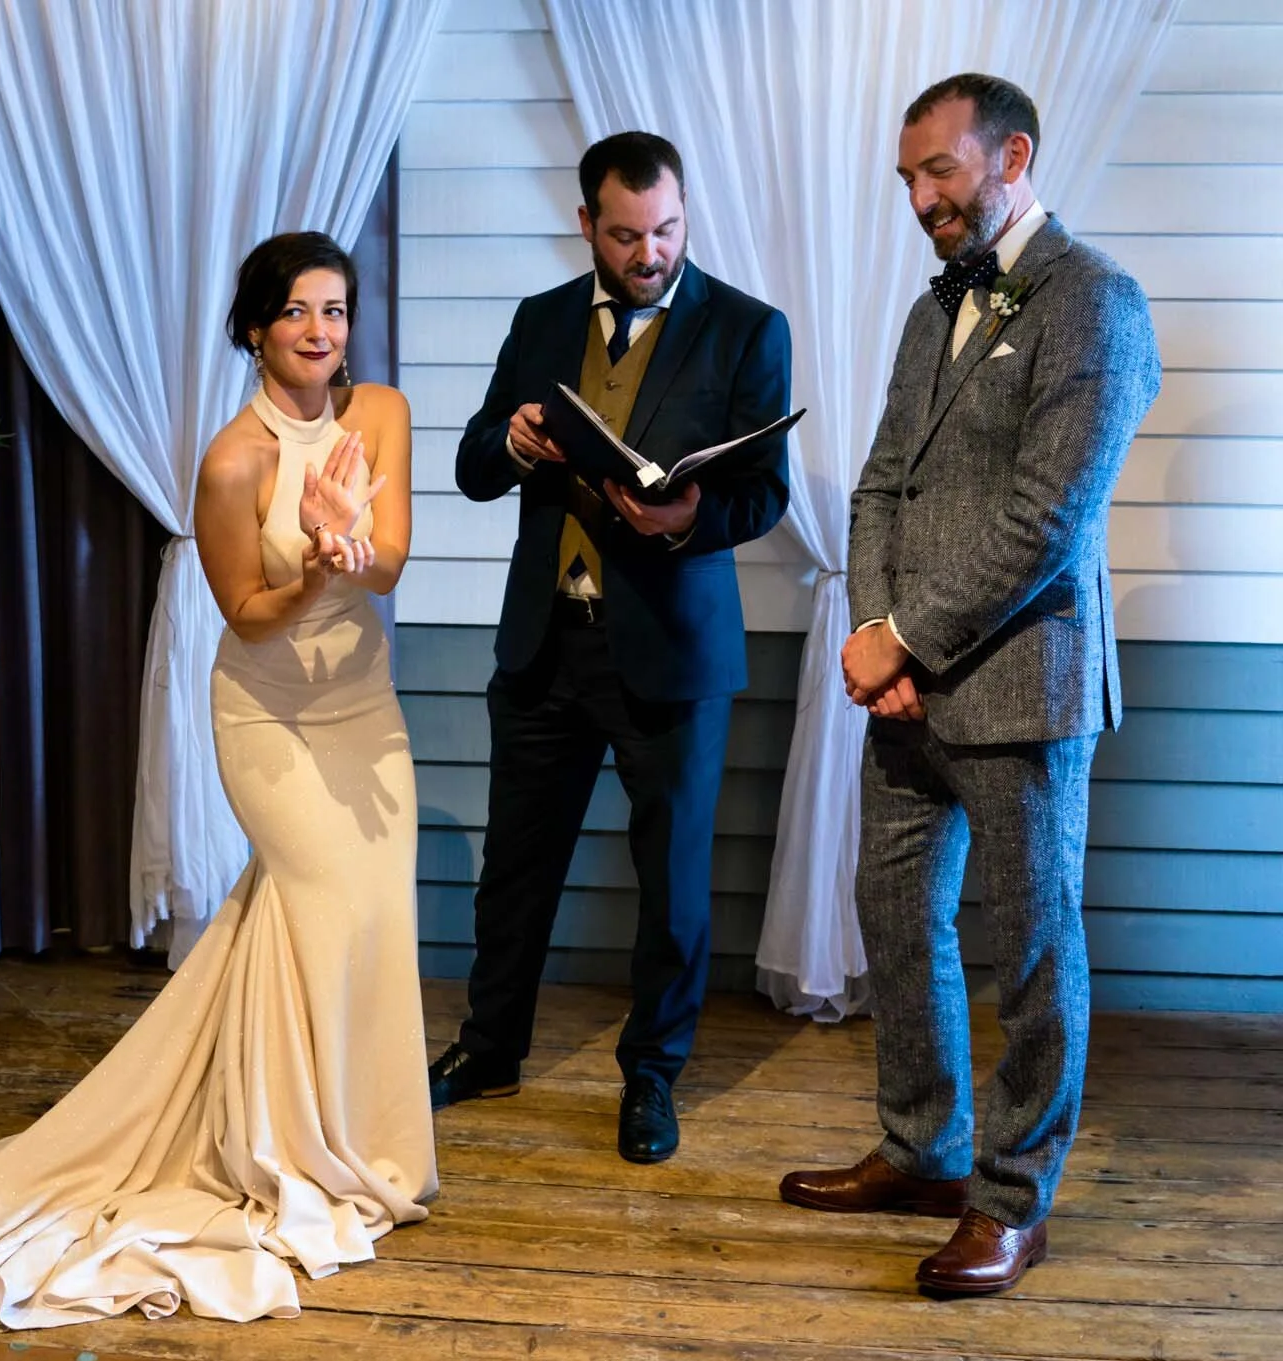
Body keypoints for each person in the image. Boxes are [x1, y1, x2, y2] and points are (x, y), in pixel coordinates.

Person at [0, 231, 432, 1330]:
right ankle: (290, 1144)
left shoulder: (380, 413)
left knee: (373, 911)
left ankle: (360, 1134)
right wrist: (311, 563)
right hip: (270, 719)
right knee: (317, 904)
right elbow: (246, 615)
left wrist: (353, 547)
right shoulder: (230, 461)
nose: (320, 331)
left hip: (363, 713)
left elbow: (389, 558)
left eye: (335, 310)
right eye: (297, 311)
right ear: (255, 329)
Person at [780, 74, 1160, 1296]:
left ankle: (1011, 1200)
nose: (918, 197)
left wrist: (904, 639)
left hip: (1022, 688)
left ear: (1011, 156)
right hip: (905, 692)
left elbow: (1048, 515)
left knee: (1033, 950)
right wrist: (872, 633)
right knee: (894, 918)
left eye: (937, 169)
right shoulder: (929, 306)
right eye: (906, 177)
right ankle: (921, 1153)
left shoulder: (1093, 299)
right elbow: (876, 484)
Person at [428, 133, 794, 1164]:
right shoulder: (539, 319)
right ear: (586, 224)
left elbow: (763, 493)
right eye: (627, 235)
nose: (650, 252)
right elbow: (471, 465)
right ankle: (489, 1049)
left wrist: (685, 516)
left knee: (672, 885)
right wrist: (511, 443)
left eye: (666, 229)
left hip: (672, 655)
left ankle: (651, 1077)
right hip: (543, 642)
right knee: (513, 869)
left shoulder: (747, 328)